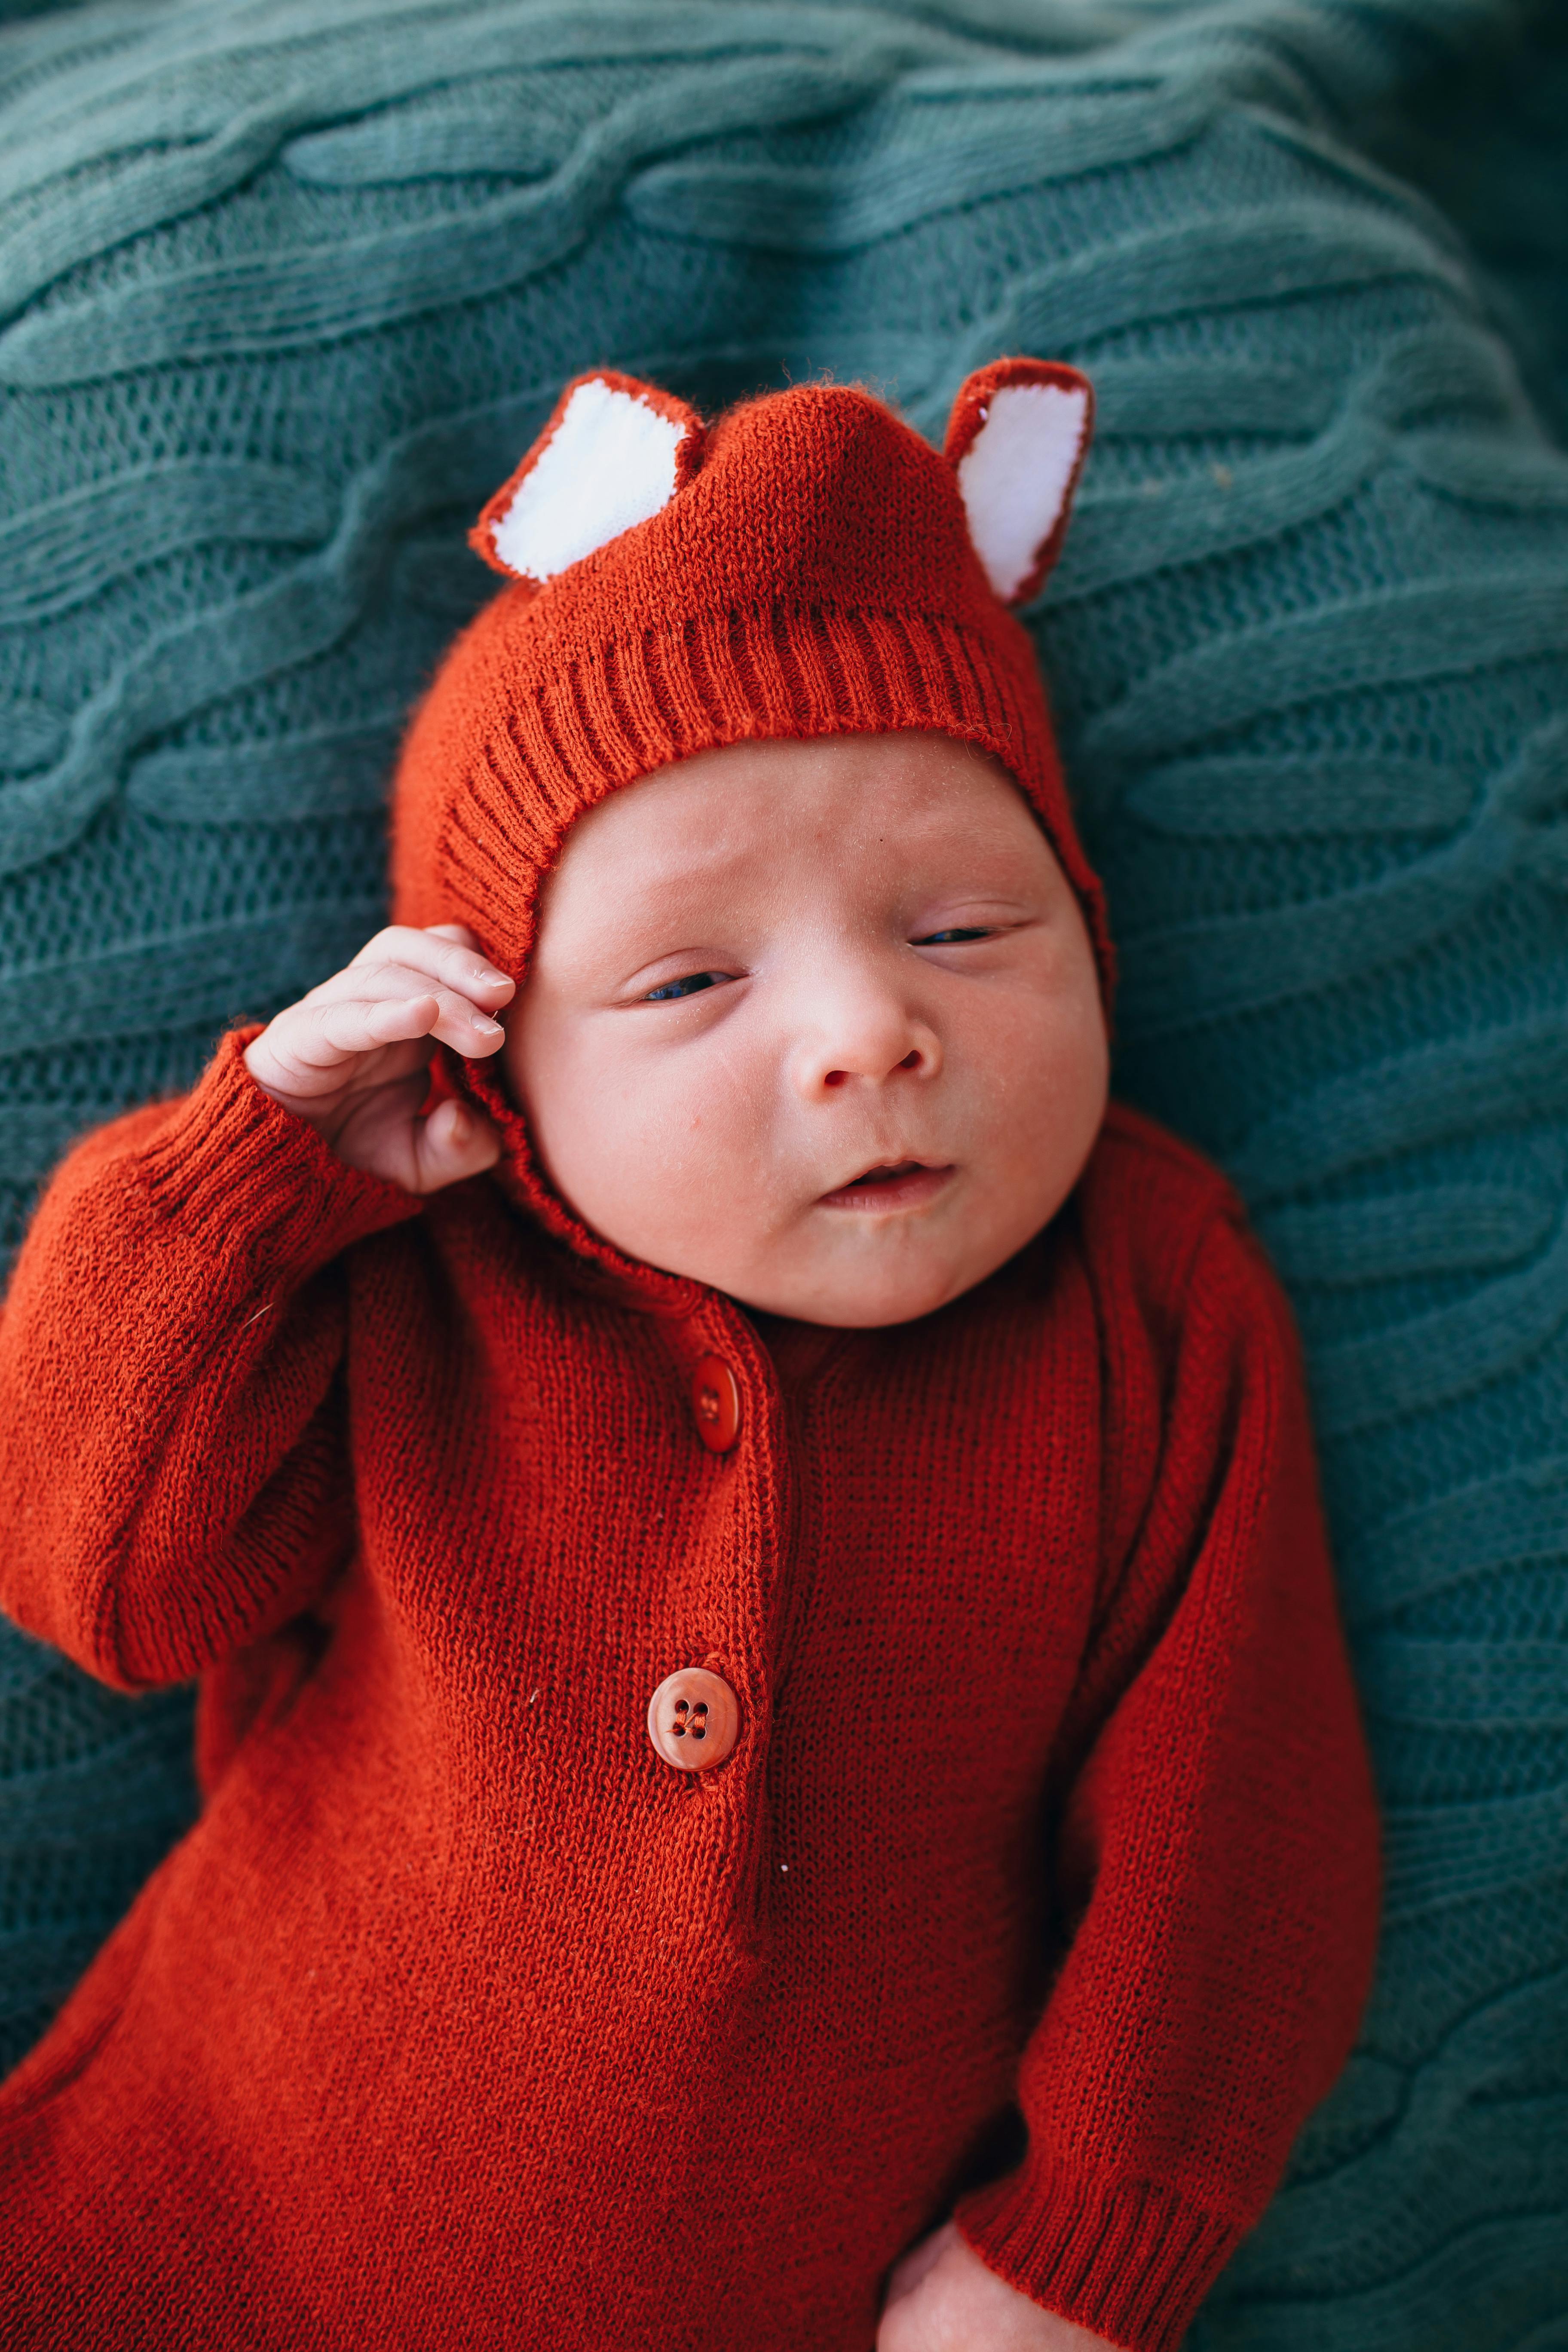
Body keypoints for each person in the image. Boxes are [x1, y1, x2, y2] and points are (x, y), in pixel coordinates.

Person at [0, 361, 1380, 2352]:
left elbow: (1240, 1839)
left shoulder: (1148, 1307)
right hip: (189, 2216)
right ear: (491, 1059)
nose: (864, 1034)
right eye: (690, 977)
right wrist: (250, 1178)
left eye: (970, 932)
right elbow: (105, 1583)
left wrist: (1081, 2243)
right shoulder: (421, 1272)